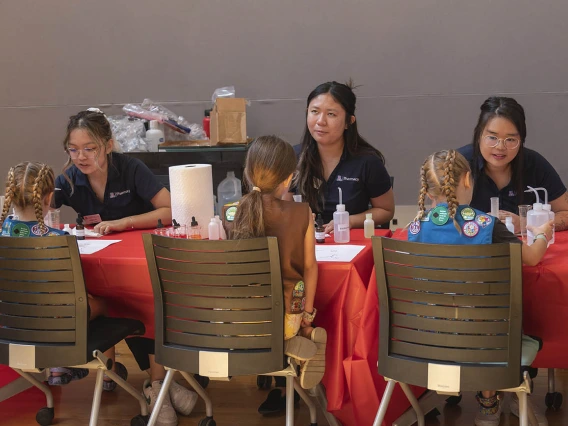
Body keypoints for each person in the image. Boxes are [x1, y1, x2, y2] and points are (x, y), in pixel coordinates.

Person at [52, 109, 196, 426]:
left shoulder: (130, 168)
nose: (80, 157)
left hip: (142, 263)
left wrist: (124, 222)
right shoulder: (69, 180)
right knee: (113, 305)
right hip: (101, 264)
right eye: (73, 149)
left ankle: (158, 386)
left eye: (89, 148)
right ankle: (160, 388)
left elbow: (171, 210)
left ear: (107, 145)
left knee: (140, 305)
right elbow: (39, 205)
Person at [408, 149, 552, 426]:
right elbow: (532, 258)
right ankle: (489, 403)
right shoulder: (487, 225)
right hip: (487, 342)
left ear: (427, 192)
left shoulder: (415, 228)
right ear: (467, 179)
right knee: (488, 321)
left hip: (428, 339)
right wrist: (543, 234)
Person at [232, 136, 327, 410]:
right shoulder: (302, 212)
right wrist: (308, 317)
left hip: (242, 324)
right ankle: (302, 338)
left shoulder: (235, 212)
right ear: (289, 178)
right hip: (285, 319)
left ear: (248, 173)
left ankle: (294, 345)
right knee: (293, 322)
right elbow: (310, 267)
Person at [0, 161, 110, 386]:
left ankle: (60, 368)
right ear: (49, 198)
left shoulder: (4, 233)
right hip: (53, 325)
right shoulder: (59, 240)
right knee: (104, 303)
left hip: (10, 326)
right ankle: (107, 373)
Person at [289, 81, 394, 233]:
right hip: (305, 243)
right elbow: (281, 206)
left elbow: (386, 210)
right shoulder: (293, 157)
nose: (320, 121)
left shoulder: (367, 161)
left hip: (349, 242)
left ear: (348, 122)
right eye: (314, 112)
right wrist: (296, 216)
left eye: (331, 114)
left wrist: (350, 221)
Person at [458, 96, 568, 233]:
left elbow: (565, 212)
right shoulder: (459, 164)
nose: (500, 147)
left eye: (510, 139)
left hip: (524, 250)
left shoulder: (534, 163)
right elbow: (438, 217)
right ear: (479, 135)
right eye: (492, 137)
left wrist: (526, 224)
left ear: (521, 140)